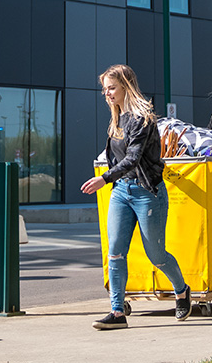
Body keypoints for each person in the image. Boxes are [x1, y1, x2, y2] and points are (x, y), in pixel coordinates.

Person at [82, 64, 192, 330]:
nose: (107, 94)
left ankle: (182, 290)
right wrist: (111, 178)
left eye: (112, 88)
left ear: (126, 87)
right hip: (121, 192)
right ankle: (118, 312)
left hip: (146, 193)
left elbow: (133, 158)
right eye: (105, 89)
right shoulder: (117, 118)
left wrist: (104, 178)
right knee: (116, 253)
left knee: (156, 255)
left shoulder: (142, 118)